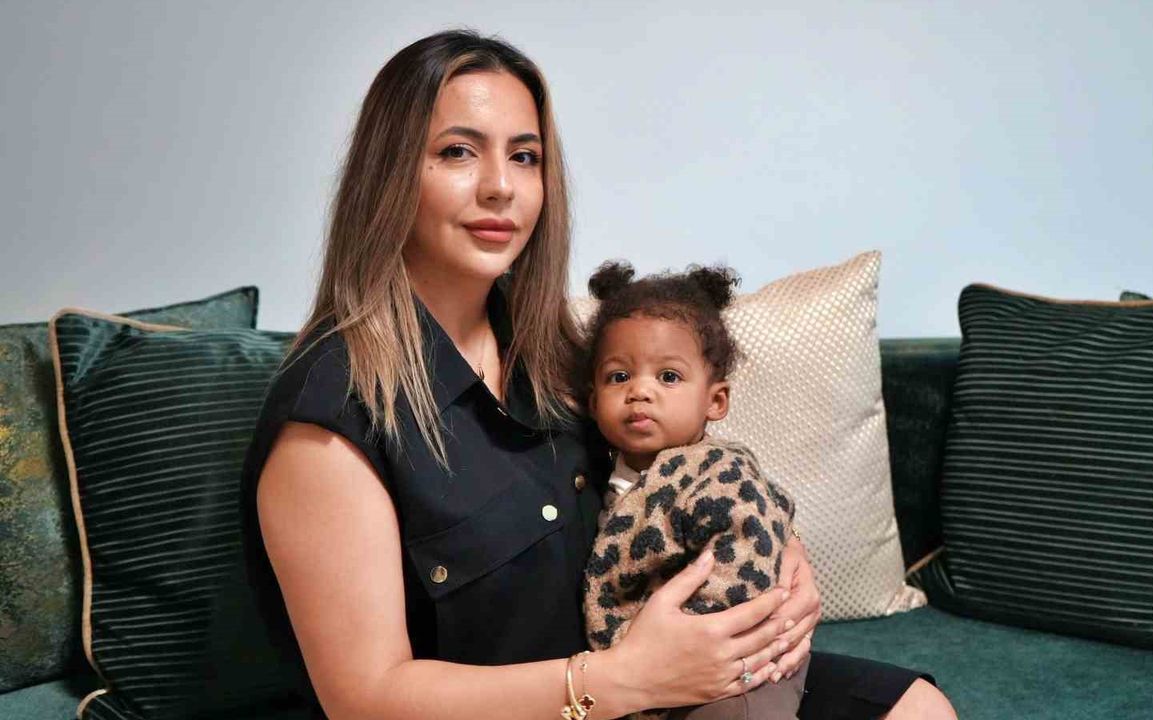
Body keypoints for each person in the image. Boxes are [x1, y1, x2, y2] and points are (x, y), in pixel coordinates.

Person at [239, 29, 958, 720]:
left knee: (919, 709)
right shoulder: (330, 416)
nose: (500, 187)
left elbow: (668, 468)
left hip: (657, 685)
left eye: (524, 157)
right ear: (389, 173)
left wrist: (777, 553)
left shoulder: (558, 350)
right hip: (555, 704)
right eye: (458, 151)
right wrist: (620, 682)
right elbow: (365, 700)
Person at [578, 260, 809, 720]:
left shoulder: (718, 476)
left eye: (668, 376)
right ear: (593, 400)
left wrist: (684, 648)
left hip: (740, 668)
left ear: (715, 400)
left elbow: (744, 566)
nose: (640, 391)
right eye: (619, 377)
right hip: (653, 677)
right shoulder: (598, 473)